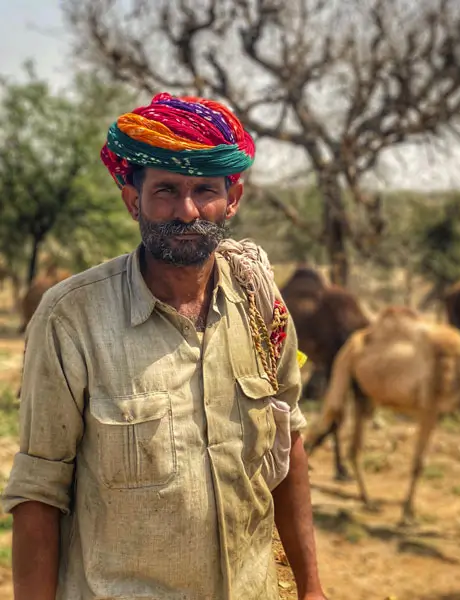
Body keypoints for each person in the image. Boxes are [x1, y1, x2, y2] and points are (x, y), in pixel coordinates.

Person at [1, 93, 327, 600]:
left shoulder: (263, 305)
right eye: (166, 191)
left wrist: (311, 589)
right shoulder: (72, 318)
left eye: (205, 190)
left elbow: (289, 446)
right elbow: (39, 491)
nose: (188, 210)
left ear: (232, 198)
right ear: (134, 200)